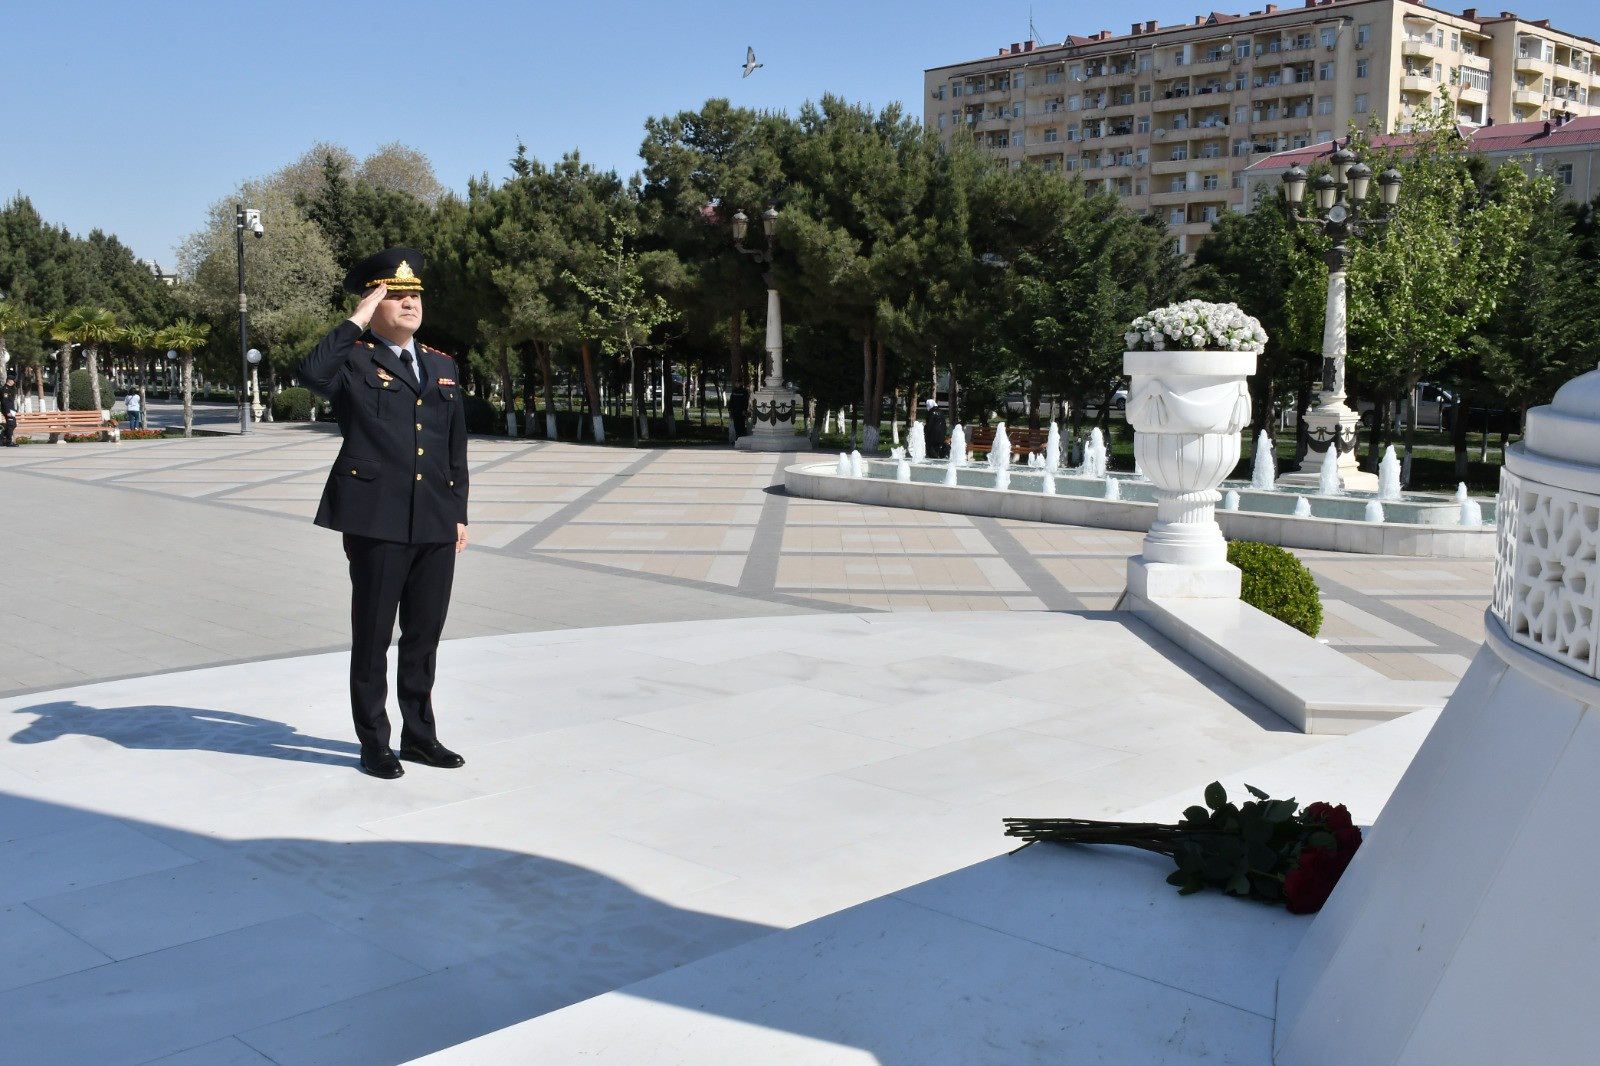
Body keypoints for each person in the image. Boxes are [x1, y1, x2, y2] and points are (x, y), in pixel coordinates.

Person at [298, 248, 470, 780]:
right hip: (376, 518)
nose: (410, 304)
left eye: (415, 295)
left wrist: (459, 512)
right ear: (374, 305)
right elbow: (311, 373)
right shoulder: (352, 359)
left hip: (435, 518)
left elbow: (455, 447)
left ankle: (420, 736)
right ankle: (375, 742)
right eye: (395, 296)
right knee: (373, 636)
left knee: (424, 635)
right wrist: (356, 318)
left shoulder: (441, 365)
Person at [1, 371, 17, 446]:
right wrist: (8, 411)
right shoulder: (5, 389)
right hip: (8, 410)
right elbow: (5, 402)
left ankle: (2, 437)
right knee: (11, 425)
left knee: (13, 424)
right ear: (9, 381)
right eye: (13, 380)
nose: (14, 382)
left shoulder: (9, 388)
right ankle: (8, 441)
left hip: (11, 410)